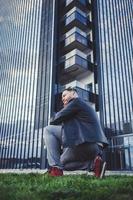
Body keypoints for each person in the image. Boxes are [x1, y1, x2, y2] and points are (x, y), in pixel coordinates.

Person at [44, 87, 108, 178]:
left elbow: (55, 119)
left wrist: (59, 114)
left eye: (64, 95)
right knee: (61, 163)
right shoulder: (83, 107)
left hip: (85, 143)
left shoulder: (76, 102)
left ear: (73, 93)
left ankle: (55, 168)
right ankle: (94, 165)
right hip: (96, 148)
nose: (62, 98)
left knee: (48, 130)